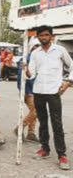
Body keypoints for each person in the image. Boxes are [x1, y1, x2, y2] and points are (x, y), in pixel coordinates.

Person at [27, 25, 73, 170]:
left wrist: (68, 82)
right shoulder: (35, 53)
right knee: (42, 122)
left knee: (57, 124)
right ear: (38, 37)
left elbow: (72, 65)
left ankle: (62, 155)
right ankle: (45, 149)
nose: (44, 38)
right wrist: (25, 70)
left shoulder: (60, 50)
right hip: (39, 91)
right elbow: (32, 74)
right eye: (41, 35)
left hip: (54, 92)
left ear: (51, 36)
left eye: (46, 35)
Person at [13, 37, 40, 143]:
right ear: (31, 47)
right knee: (36, 111)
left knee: (33, 112)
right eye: (36, 46)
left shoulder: (37, 58)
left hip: (36, 89)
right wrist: (23, 91)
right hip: (29, 90)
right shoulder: (25, 59)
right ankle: (20, 127)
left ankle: (31, 133)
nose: (38, 48)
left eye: (39, 46)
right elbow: (20, 77)